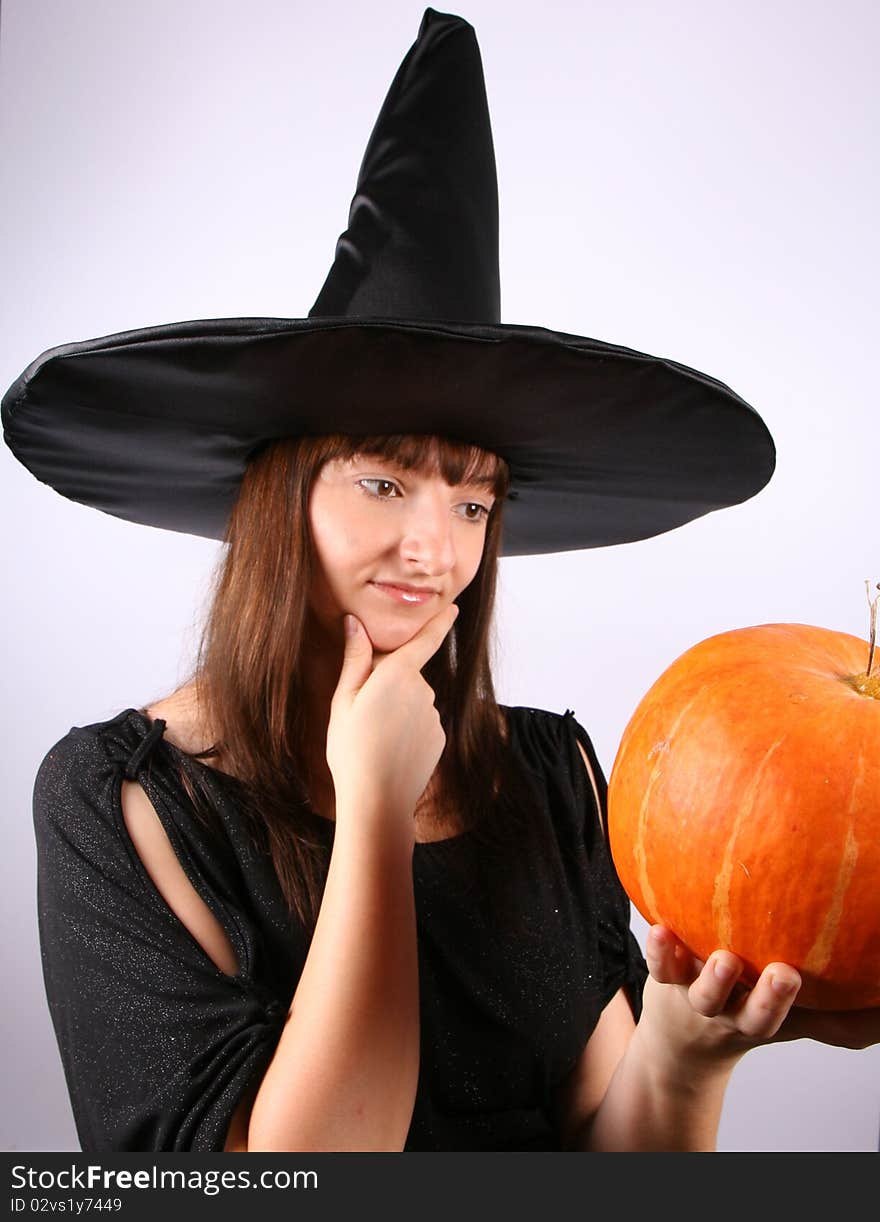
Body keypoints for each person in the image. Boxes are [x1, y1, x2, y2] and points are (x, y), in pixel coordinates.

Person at [6, 10, 878, 1154]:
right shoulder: (120, 802)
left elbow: (615, 1160)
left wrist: (680, 1049)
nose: (439, 548)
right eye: (384, 485)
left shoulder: (549, 772)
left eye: (472, 501)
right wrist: (371, 806)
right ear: (282, 496)